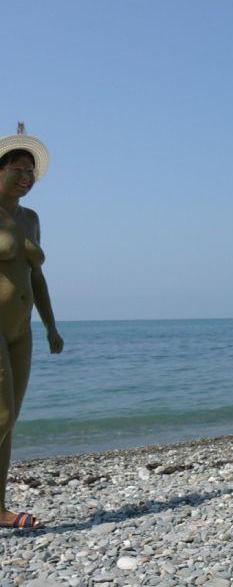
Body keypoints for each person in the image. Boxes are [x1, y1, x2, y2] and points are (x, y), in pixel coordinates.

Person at [0, 123, 63, 530]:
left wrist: (50, 326)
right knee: (1, 414)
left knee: (9, 422)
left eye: (31, 172)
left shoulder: (32, 219)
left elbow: (36, 277)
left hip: (20, 332)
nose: (26, 177)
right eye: (17, 169)